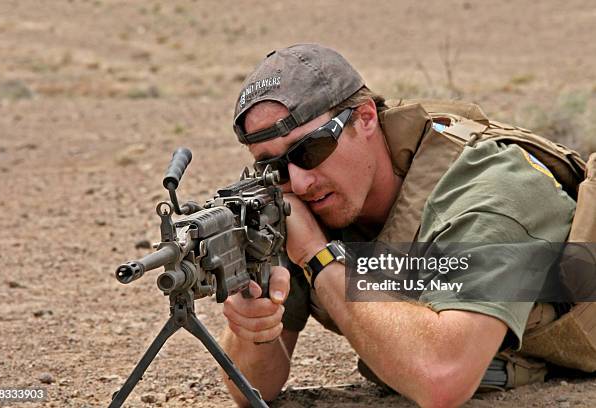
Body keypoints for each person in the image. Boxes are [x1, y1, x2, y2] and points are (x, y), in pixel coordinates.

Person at [219, 44, 587, 407]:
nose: (299, 183)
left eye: (309, 150)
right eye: (273, 167)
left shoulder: (494, 191)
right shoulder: (298, 196)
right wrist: (255, 324)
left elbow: (442, 377)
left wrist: (319, 258)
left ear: (364, 118)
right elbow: (251, 388)